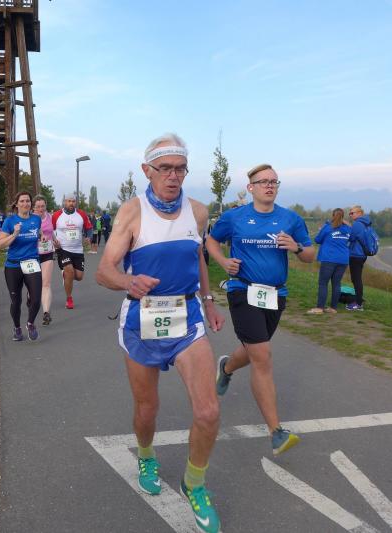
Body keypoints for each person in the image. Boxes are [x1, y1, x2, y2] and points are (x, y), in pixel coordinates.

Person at [96, 134, 224, 533]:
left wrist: (208, 300)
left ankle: (194, 483)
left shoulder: (198, 212)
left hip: (186, 315)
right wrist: (127, 282)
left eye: (180, 169)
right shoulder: (131, 212)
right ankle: (147, 455)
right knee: (147, 409)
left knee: (208, 411)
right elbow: (105, 270)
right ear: (147, 170)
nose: (173, 176)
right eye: (165, 168)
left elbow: (198, 256)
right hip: (143, 318)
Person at [207, 163, 316, 459]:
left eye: (274, 181)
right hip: (243, 290)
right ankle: (276, 432)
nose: (269, 185)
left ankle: (226, 367)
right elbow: (211, 240)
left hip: (276, 295)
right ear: (250, 187)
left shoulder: (290, 219)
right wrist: (223, 262)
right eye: (263, 181)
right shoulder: (234, 217)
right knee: (263, 356)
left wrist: (296, 247)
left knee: (255, 349)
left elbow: (310, 255)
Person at [0, 191, 42, 341]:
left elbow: (38, 233)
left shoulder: (36, 219)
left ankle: (30, 323)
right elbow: (0, 244)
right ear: (16, 204)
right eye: (22, 201)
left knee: (36, 299)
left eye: (28, 201)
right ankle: (17, 327)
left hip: (32, 263)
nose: (25, 204)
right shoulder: (10, 221)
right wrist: (14, 234)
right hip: (13, 265)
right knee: (16, 301)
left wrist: (42, 237)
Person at [52, 193, 93, 309]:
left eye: (73, 201)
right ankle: (69, 299)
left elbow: (89, 228)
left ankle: (66, 275)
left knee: (79, 276)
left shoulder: (81, 214)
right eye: (69, 201)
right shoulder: (57, 215)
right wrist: (53, 241)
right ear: (64, 202)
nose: (71, 203)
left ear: (76, 202)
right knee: (69, 271)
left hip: (78, 249)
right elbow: (50, 229)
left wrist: (89, 238)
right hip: (63, 249)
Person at [308, 208, 351, 314]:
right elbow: (352, 239)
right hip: (343, 260)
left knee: (323, 283)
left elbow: (317, 240)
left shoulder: (327, 227)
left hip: (329, 259)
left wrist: (324, 227)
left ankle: (320, 308)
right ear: (343, 217)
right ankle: (333, 308)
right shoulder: (348, 229)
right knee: (336, 283)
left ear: (332, 216)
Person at [34, 195, 57, 326]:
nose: (41, 209)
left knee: (46, 283)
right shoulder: (30, 219)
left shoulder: (49, 217)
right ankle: (30, 296)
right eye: (38, 207)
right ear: (34, 207)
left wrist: (55, 239)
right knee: (34, 285)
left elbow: (51, 231)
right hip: (33, 254)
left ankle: (46, 313)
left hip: (47, 253)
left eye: (43, 206)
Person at [347, 205, 371, 311]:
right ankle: (359, 299)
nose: (350, 215)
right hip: (362, 254)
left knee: (356, 279)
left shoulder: (357, 224)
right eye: (350, 213)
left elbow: (351, 238)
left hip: (356, 254)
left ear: (360, 213)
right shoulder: (365, 223)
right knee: (357, 278)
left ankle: (358, 304)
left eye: (352, 213)